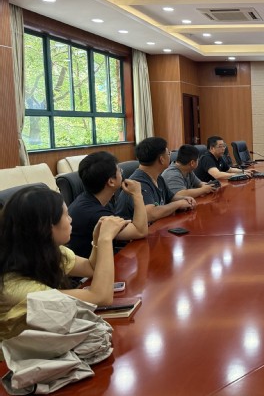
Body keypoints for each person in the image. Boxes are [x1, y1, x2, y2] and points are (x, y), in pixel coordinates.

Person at [0, 187, 130, 343]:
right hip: (17, 355)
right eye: (66, 215)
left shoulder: (41, 251)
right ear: (47, 226)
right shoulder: (17, 289)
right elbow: (101, 297)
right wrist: (105, 240)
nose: (70, 219)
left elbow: (90, 268)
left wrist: (97, 239)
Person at [68, 151, 148, 258]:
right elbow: (140, 231)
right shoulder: (95, 214)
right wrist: (137, 194)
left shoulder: (91, 198)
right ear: (111, 182)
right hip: (92, 268)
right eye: (119, 170)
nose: (122, 173)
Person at [115, 137, 196, 223]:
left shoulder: (158, 178)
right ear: (161, 159)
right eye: (168, 153)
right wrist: (178, 204)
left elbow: (170, 198)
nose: (170, 156)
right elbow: (150, 214)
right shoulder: (138, 183)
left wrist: (184, 199)